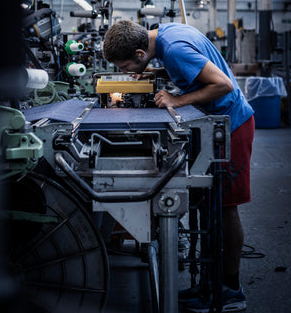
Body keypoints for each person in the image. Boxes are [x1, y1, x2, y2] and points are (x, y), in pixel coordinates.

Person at [103, 20, 255, 312]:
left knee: (224, 209)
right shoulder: (163, 34)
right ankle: (209, 287)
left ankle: (231, 291)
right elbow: (194, 67)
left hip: (232, 126)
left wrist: (178, 99)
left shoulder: (173, 48)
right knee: (210, 209)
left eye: (125, 67)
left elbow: (222, 84)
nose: (125, 73)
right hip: (217, 125)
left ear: (138, 52)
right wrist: (158, 72)